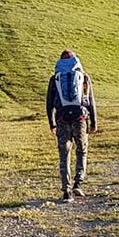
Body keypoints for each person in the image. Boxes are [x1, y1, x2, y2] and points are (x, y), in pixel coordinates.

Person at [46, 50, 97, 201]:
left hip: (62, 119)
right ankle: (78, 185)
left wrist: (52, 123)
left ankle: (66, 191)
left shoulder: (55, 78)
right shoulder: (84, 77)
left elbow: (49, 104)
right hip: (80, 119)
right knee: (81, 150)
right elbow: (90, 100)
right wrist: (93, 122)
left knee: (64, 154)